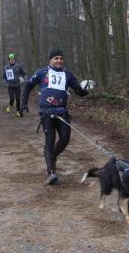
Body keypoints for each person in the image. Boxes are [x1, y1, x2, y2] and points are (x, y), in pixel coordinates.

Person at [21, 48, 90, 185]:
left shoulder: (68, 74)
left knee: (65, 139)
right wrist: (23, 103)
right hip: (47, 113)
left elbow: (78, 90)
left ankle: (52, 158)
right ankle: (51, 172)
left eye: (60, 58)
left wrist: (85, 90)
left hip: (62, 112)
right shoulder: (41, 73)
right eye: (56, 58)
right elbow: (28, 86)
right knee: (50, 140)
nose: (59, 61)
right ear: (50, 60)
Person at [3, 53, 26, 117]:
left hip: (17, 85)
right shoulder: (6, 67)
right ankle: (10, 105)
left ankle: (18, 111)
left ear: (15, 59)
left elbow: (24, 74)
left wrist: (23, 79)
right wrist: (6, 83)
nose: (12, 60)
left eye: (13, 59)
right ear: (9, 60)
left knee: (18, 99)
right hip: (10, 85)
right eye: (10, 59)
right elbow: (4, 77)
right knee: (12, 98)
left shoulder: (19, 66)